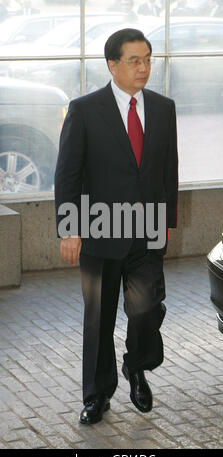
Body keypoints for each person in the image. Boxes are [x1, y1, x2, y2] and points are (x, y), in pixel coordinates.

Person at [54, 28, 178, 425]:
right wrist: (69, 227)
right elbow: (68, 174)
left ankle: (136, 365)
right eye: (134, 60)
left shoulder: (163, 107)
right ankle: (97, 395)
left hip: (146, 232)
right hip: (98, 233)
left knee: (145, 310)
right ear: (112, 65)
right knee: (99, 319)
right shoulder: (85, 109)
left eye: (147, 59)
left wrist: (167, 220)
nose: (143, 68)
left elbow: (168, 169)